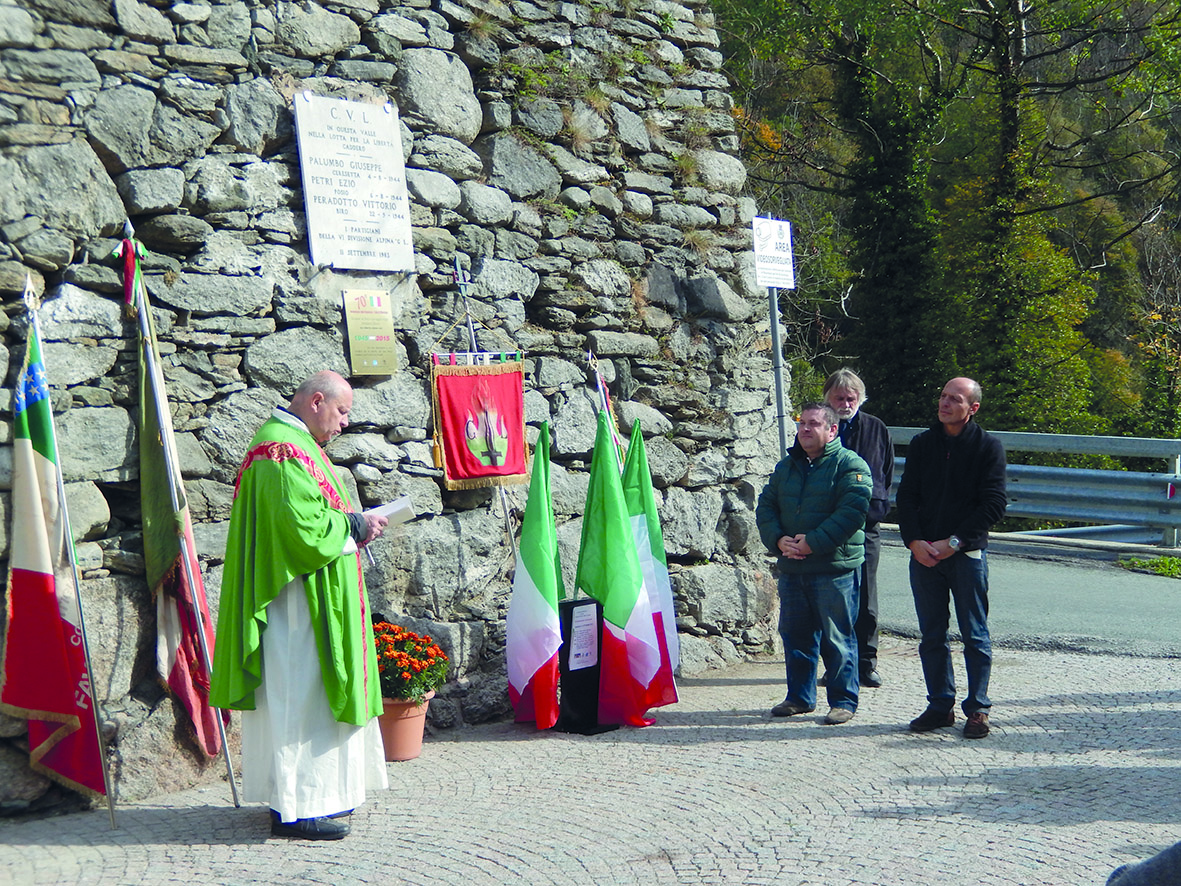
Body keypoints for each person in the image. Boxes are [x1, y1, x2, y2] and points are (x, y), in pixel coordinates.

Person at [210, 371, 390, 840]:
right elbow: (303, 530)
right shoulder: (281, 450)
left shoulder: (296, 444)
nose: (345, 423)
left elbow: (314, 514)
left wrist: (354, 522)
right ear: (316, 401)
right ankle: (297, 806)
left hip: (309, 599)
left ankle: (316, 797)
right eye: (342, 411)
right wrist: (354, 527)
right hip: (297, 608)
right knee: (300, 698)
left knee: (306, 698)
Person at [895, 377, 1007, 739]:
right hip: (924, 554)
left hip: (966, 554)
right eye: (942, 396)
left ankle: (977, 709)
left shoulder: (988, 447)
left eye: (954, 399)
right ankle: (940, 704)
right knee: (931, 634)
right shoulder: (923, 444)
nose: (944, 404)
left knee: (974, 634)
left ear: (972, 408)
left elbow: (993, 504)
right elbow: (907, 498)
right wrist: (915, 542)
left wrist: (954, 542)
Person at [756, 402, 872, 725]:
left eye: (814, 424)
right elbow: (765, 507)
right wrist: (779, 540)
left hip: (833, 569)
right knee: (795, 635)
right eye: (802, 423)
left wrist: (812, 543)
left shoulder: (851, 466)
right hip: (793, 568)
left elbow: (851, 513)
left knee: (838, 638)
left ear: (832, 430)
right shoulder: (787, 467)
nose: (805, 429)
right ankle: (799, 697)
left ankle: (843, 700)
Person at [824, 369, 894, 688]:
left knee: (865, 598)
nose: (846, 403)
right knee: (831, 599)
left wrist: (874, 510)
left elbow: (885, 474)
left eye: (851, 397)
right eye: (839, 397)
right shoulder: (819, 425)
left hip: (866, 527)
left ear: (860, 399)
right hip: (824, 527)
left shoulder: (876, 428)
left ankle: (867, 662)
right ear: (828, 398)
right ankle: (836, 665)